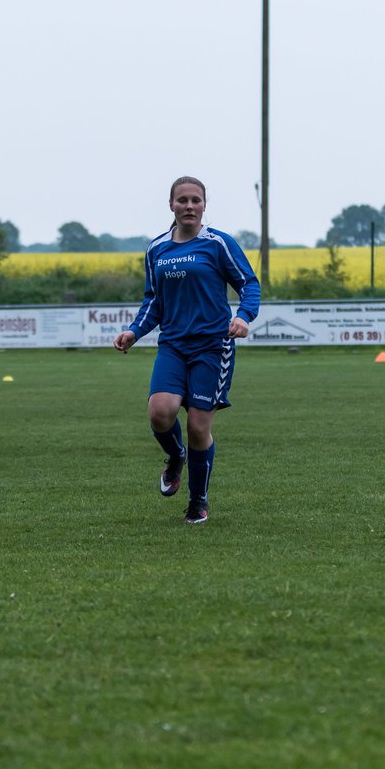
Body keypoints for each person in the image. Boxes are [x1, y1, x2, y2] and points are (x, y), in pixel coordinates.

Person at [113, 176, 260, 523]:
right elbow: (154, 300)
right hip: (174, 345)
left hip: (213, 346)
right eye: (183, 200)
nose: (189, 206)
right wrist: (134, 331)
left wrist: (244, 316)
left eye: (196, 200)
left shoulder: (218, 244)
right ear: (171, 205)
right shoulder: (157, 249)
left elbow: (248, 283)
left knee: (198, 426)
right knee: (160, 413)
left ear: (204, 205)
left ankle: (198, 499)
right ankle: (175, 457)